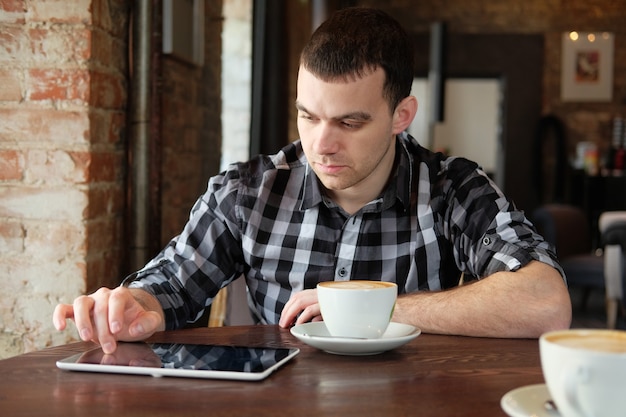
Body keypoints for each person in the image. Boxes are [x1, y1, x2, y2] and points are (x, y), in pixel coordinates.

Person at [53, 7, 571, 354]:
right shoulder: (248, 192)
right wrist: (132, 307)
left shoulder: (452, 188)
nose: (320, 144)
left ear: (401, 114)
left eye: (350, 122)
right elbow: (167, 286)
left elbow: (546, 304)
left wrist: (372, 306)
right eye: (308, 116)